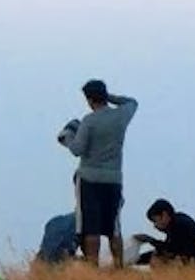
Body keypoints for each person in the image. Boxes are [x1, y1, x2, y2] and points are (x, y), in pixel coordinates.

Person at [59, 79, 138, 267]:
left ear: (89, 99)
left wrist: (67, 138)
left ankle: (93, 267)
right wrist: (109, 97)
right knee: (113, 228)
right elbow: (132, 102)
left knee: (91, 228)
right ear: (104, 95)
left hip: (89, 178)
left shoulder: (89, 121)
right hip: (113, 178)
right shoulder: (121, 116)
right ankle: (119, 266)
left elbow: (77, 149)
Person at [133, 199, 195, 265]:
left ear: (164, 215)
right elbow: (167, 248)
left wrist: (150, 240)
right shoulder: (176, 223)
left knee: (159, 259)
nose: (155, 225)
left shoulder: (179, 225)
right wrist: (137, 259)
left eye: (155, 221)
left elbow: (170, 250)